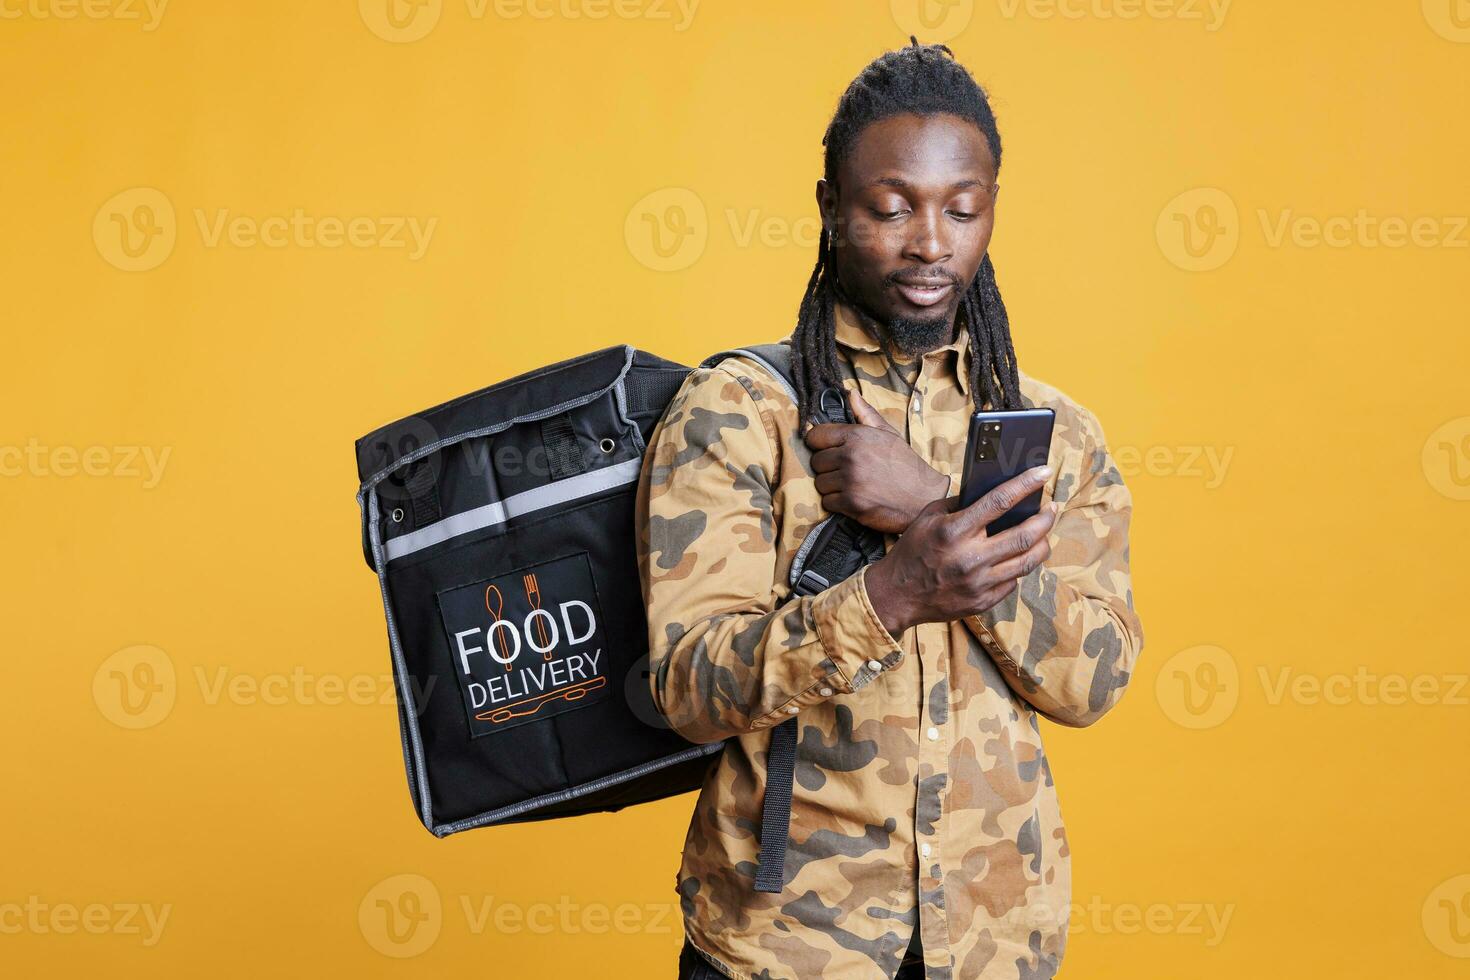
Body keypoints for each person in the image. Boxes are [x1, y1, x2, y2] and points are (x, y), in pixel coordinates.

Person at [635, 38, 1144, 980]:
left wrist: (935, 519)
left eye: (962, 209)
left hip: (998, 941)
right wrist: (892, 593)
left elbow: (1096, 680)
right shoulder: (741, 410)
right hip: (784, 946)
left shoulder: (1059, 432)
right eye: (891, 206)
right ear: (830, 206)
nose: (930, 242)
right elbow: (688, 690)